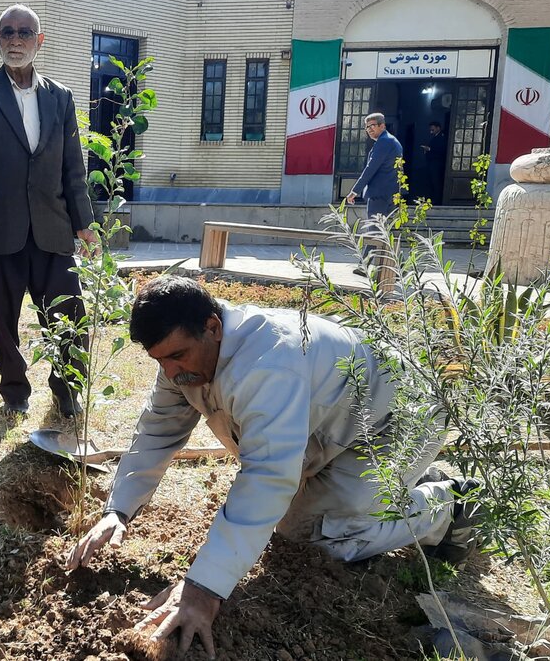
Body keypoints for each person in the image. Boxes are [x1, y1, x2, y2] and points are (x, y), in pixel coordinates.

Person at [66, 275, 482, 656]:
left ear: (212, 327)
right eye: (160, 361)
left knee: (318, 536)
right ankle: (392, 489)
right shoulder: (185, 360)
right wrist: (117, 510)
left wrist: (202, 588)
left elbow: (267, 477)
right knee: (298, 522)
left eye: (177, 357)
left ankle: (446, 507)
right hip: (336, 426)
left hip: (400, 422)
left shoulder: (268, 364)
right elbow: (158, 430)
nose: (171, 372)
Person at [0, 3, 95, 418]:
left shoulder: (61, 97)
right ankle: (14, 391)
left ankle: (67, 388)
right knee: (3, 320)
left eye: (25, 32)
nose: (16, 40)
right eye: (8, 32)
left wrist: (85, 223)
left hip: (53, 227)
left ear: (39, 40)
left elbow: (73, 166)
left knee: (70, 313)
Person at [345, 112, 403, 275]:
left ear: (382, 126)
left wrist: (354, 190)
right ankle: (400, 268)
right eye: (367, 127)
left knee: (374, 230)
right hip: (389, 193)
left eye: (372, 126)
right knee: (383, 232)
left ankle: (366, 265)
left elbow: (371, 168)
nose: (369, 130)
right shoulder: (392, 141)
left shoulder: (384, 142)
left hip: (380, 194)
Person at [420, 120, 447, 204]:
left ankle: (437, 201)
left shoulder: (442, 137)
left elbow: (441, 150)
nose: (431, 132)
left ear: (438, 128)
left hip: (437, 163)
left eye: (433, 129)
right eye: (430, 130)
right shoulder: (435, 137)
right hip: (432, 163)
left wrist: (429, 149)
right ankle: (432, 200)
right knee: (431, 182)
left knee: (436, 182)